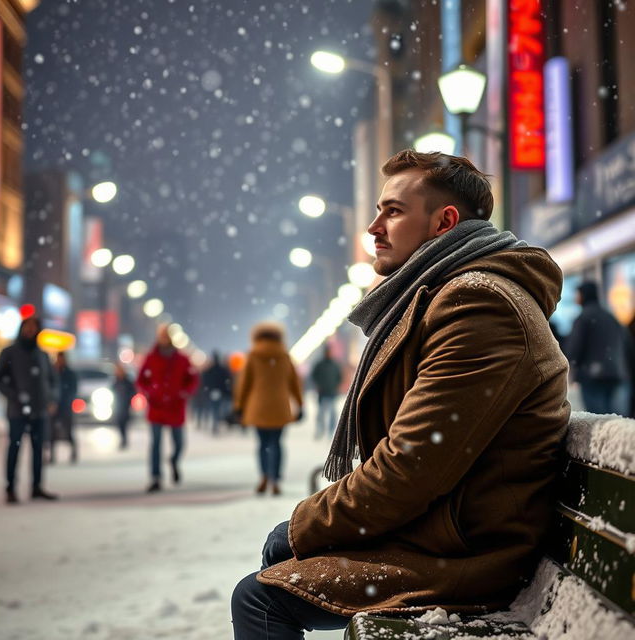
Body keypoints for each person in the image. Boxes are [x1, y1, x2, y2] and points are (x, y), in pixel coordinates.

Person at [231, 150, 571, 638]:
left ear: (443, 222)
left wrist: (301, 525)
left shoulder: (478, 304)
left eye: (392, 211)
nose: (374, 227)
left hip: (471, 556)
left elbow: (409, 467)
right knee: (267, 581)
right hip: (444, 531)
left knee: (261, 599)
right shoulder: (443, 296)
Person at [233, 323, 303, 496]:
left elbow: (244, 384)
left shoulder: (252, 356)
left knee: (263, 444)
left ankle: (264, 476)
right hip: (280, 407)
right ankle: (276, 479)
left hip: (258, 407)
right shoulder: (285, 356)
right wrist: (300, 405)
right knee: (277, 443)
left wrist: (239, 406)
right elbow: (295, 383)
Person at [0, 315, 59, 504]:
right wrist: (14, 396)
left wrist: (52, 399)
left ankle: (37, 486)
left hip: (40, 411)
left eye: (34, 326)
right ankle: (10, 488)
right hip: (17, 411)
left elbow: (53, 381)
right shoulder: (10, 353)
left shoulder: (42, 354)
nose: (31, 330)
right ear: (22, 328)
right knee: (15, 448)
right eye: (28, 326)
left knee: (38, 450)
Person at [137, 324, 199, 492]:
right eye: (161, 335)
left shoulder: (181, 359)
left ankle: (174, 460)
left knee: (179, 443)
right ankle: (156, 476)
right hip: (157, 407)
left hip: (175, 406)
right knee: (156, 444)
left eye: (166, 335)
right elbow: (141, 379)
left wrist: (184, 393)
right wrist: (149, 392)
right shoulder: (151, 357)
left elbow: (193, 379)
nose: (164, 338)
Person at [566, 281, 634, 415]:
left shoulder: (583, 318)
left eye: (577, 294)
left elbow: (574, 349)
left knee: (600, 421)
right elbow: (627, 346)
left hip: (593, 377)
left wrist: (572, 368)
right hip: (617, 374)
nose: (576, 298)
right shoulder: (611, 317)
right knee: (617, 421)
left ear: (584, 295)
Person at [48, 351, 78, 464]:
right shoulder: (53, 372)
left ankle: (73, 452)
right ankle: (52, 455)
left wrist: (67, 402)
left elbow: (73, 390)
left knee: (68, 431)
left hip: (65, 407)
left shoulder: (69, 373)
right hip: (54, 407)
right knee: (52, 433)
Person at [311, 344, 342, 438]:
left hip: (332, 392)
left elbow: (339, 377)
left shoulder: (335, 364)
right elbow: (314, 376)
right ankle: (320, 430)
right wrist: (318, 385)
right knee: (321, 413)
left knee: (332, 413)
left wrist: (336, 386)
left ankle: (331, 432)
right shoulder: (319, 364)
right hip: (322, 392)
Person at [201, 350, 233, 435]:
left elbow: (205, 380)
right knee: (218, 410)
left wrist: (208, 390)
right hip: (220, 392)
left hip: (212, 392)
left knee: (214, 410)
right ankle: (217, 424)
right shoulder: (222, 370)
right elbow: (227, 381)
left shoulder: (210, 370)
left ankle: (215, 425)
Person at [112, 363, 136, 449]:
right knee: (119, 423)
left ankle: (124, 439)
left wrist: (128, 398)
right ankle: (123, 439)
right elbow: (112, 390)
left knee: (124, 422)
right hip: (118, 404)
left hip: (125, 405)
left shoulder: (127, 381)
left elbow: (133, 391)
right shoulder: (116, 381)